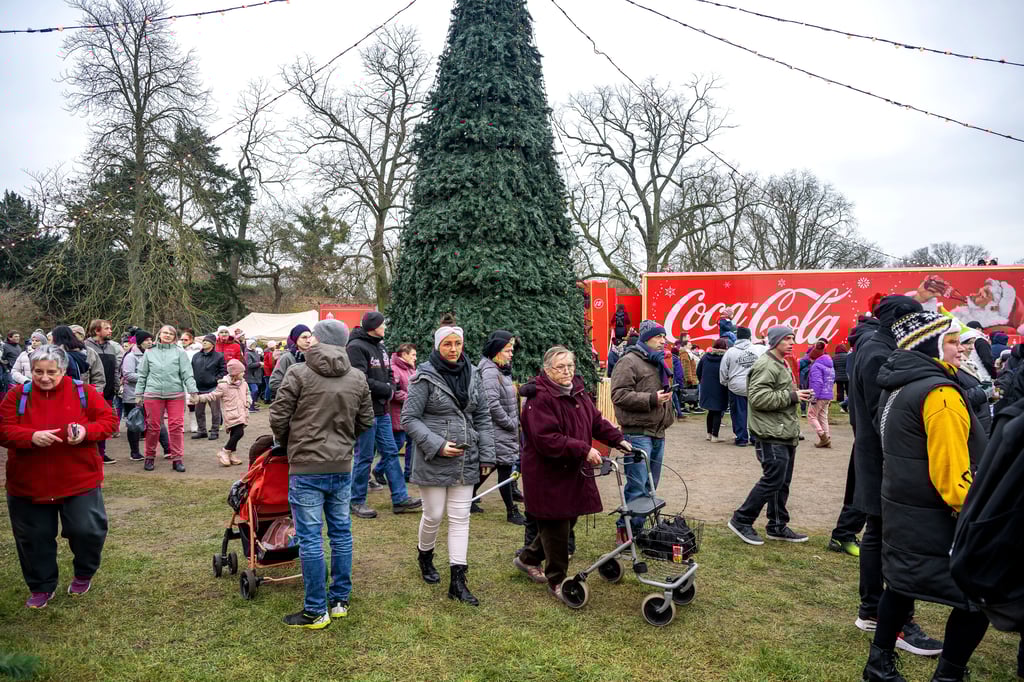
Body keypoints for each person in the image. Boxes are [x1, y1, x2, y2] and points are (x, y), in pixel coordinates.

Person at [862, 311, 990, 682]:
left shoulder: (898, 383)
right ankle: (948, 676)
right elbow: (951, 476)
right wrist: (974, 514)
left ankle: (879, 665)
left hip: (902, 508)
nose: (963, 350)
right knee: (977, 597)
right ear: (930, 345)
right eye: (953, 342)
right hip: (937, 516)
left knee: (900, 586)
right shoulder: (941, 394)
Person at [848, 295, 943, 656]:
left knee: (878, 530)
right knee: (886, 533)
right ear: (901, 320)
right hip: (882, 455)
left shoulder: (874, 344)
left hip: (876, 452)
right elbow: (882, 412)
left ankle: (874, 610)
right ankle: (883, 613)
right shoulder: (877, 350)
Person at [270, 319, 374, 629]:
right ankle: (339, 600)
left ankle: (317, 608)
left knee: (312, 538)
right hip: (339, 465)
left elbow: (278, 415)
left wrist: (290, 444)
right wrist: (344, 440)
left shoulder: (298, 372)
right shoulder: (357, 377)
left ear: (317, 339)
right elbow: (365, 420)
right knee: (341, 533)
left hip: (307, 467)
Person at [1, 345, 119, 609]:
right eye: (37, 372)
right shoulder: (16, 396)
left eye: (51, 372)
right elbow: (3, 430)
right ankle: (41, 586)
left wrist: (86, 432)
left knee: (87, 530)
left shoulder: (83, 392)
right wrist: (29, 437)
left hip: (78, 480)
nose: (44, 377)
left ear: (63, 370)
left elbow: (110, 421)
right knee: (34, 537)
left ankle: (84, 572)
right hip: (28, 484)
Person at [513, 345, 629, 600]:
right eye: (560, 367)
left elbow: (595, 420)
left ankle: (527, 558)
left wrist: (617, 439)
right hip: (547, 474)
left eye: (570, 366)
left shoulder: (576, 389)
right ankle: (557, 580)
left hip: (572, 470)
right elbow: (546, 439)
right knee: (556, 526)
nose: (567, 371)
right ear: (547, 370)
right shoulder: (539, 399)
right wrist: (583, 449)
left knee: (568, 519)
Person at [401, 315, 496, 605]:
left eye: (458, 343)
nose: (454, 349)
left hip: (466, 457)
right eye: (447, 344)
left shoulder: (474, 373)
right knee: (434, 515)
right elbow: (409, 418)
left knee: (460, 518)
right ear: (437, 345)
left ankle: (458, 580)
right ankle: (425, 555)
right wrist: (437, 445)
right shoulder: (424, 376)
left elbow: (482, 415)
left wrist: (488, 453)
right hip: (433, 457)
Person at [728, 326, 812, 546]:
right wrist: (792, 396)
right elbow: (758, 398)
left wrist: (795, 395)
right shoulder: (766, 364)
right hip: (770, 433)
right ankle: (741, 520)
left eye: (793, 338)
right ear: (775, 342)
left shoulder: (780, 363)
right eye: (787, 338)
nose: (792, 342)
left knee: (781, 482)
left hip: (783, 432)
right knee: (773, 479)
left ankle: (776, 525)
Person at [347, 312, 421, 518]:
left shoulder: (381, 346)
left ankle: (400, 498)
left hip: (383, 412)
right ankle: (356, 501)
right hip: (365, 412)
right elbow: (359, 379)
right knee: (364, 457)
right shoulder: (356, 347)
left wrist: (390, 387)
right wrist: (387, 390)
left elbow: (389, 372)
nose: (385, 327)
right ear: (373, 326)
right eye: (382, 324)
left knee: (390, 453)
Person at [609, 319, 675, 542]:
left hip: (658, 431)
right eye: (658, 337)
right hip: (637, 433)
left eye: (664, 337)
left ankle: (638, 530)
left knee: (651, 486)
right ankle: (625, 532)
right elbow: (618, 395)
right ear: (647, 339)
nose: (662, 341)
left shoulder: (658, 362)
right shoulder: (628, 362)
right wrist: (652, 399)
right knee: (637, 486)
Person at [827, 315, 878, 558]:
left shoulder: (860, 350)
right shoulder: (873, 350)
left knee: (862, 486)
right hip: (871, 430)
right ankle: (844, 534)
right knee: (865, 487)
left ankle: (845, 533)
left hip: (864, 427)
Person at [474, 330, 526, 525]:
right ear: (496, 351)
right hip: (498, 429)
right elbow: (491, 404)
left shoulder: (501, 369)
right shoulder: (489, 372)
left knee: (494, 465)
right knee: (504, 470)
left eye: (512, 350)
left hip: (504, 430)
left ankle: (468, 497)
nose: (511, 354)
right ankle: (511, 511)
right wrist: (510, 422)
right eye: (507, 350)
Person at [135, 325, 198, 472]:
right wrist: (138, 394)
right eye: (165, 332)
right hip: (153, 394)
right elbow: (142, 375)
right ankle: (149, 457)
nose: (168, 335)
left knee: (176, 427)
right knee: (153, 427)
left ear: (175, 337)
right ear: (159, 334)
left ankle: (177, 459)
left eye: (171, 333)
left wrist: (193, 391)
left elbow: (187, 373)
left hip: (175, 395)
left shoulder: (180, 352)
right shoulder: (150, 352)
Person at [120, 330, 170, 462]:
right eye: (147, 340)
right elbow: (128, 375)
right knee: (134, 423)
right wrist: (148, 377)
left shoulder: (155, 354)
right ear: (140, 342)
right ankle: (135, 452)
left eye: (151, 340)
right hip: (133, 395)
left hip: (153, 394)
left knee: (158, 421)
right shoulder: (130, 357)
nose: (150, 342)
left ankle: (167, 449)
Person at [193, 358, 251, 467]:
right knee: (239, 433)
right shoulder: (224, 385)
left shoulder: (244, 384)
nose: (244, 373)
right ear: (235, 373)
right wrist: (199, 398)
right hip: (231, 414)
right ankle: (224, 451)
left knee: (235, 434)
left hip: (242, 412)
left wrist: (248, 402)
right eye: (242, 371)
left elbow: (247, 393)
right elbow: (212, 395)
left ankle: (231, 454)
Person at [84, 319, 124, 462]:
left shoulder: (111, 347)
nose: (110, 331)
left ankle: (101, 453)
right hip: (90, 393)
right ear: (97, 330)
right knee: (89, 423)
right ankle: (90, 453)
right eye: (107, 328)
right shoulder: (86, 347)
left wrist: (116, 387)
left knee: (103, 424)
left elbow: (115, 370)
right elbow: (86, 373)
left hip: (107, 393)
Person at [719, 327, 765, 447]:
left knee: (738, 413)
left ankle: (741, 438)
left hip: (736, 387)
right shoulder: (758, 350)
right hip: (755, 385)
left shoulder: (730, 352)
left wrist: (725, 382)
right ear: (749, 337)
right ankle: (755, 437)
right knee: (755, 413)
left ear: (737, 337)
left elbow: (723, 370)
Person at [956, 327, 994, 435]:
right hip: (974, 427)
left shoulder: (970, 363)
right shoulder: (956, 368)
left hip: (981, 423)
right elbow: (961, 399)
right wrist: (986, 390)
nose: (971, 348)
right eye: (967, 343)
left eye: (973, 343)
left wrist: (990, 396)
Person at [390, 343, 418, 483]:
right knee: (398, 443)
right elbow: (394, 392)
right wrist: (411, 399)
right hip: (398, 414)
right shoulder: (394, 369)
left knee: (412, 443)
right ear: (404, 354)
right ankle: (379, 470)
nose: (415, 358)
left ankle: (408, 473)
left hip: (411, 415)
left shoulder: (412, 370)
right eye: (413, 354)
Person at [51, 325, 105, 396]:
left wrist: (91, 396)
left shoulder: (90, 353)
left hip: (82, 396)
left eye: (74, 334)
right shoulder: (54, 354)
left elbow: (99, 378)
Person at [191, 334, 226, 441]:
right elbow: (191, 369)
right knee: (198, 412)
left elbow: (223, 370)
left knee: (215, 411)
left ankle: (215, 431)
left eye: (207, 341)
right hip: (198, 388)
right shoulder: (196, 356)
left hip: (213, 388)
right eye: (204, 341)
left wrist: (215, 379)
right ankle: (202, 431)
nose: (204, 342)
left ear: (212, 344)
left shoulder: (219, 356)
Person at [697, 339, 729, 442]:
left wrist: (702, 381)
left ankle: (708, 434)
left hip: (707, 387)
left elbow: (698, 371)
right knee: (717, 412)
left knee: (710, 411)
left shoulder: (705, 356)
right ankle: (715, 436)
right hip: (720, 387)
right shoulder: (725, 358)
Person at [269, 325, 311, 397]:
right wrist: (296, 393)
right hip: (294, 403)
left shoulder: (316, 356)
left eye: (310, 337)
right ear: (296, 339)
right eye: (304, 337)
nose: (308, 340)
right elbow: (274, 383)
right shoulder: (286, 358)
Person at [808, 352, 836, 448]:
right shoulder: (830, 365)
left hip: (819, 395)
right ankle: (827, 437)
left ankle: (823, 437)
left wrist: (813, 397)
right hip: (827, 394)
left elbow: (817, 382)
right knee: (823, 417)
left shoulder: (816, 366)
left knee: (811, 415)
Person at [244, 341, 263, 413]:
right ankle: (250, 407)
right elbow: (249, 365)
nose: (254, 346)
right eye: (252, 344)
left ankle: (252, 406)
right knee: (254, 390)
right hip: (250, 375)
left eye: (255, 344)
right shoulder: (247, 353)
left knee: (255, 391)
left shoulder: (255, 352)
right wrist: (259, 363)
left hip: (256, 375)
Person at [833, 342, 850, 407]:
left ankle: (841, 403)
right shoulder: (848, 356)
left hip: (838, 377)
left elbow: (833, 367)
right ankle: (847, 403)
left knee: (840, 391)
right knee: (848, 390)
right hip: (847, 376)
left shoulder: (834, 357)